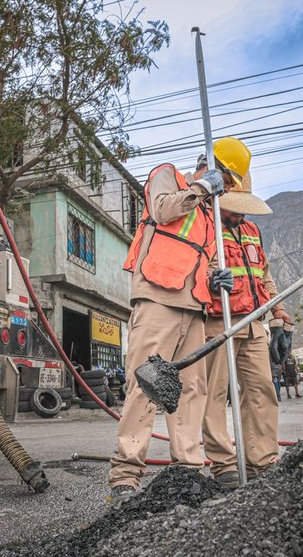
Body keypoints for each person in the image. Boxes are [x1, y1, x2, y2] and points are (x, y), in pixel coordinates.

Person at [108, 137, 247, 503]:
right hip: (158, 298)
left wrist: (219, 277)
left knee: (191, 390)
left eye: (231, 186)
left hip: (196, 308)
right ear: (211, 166)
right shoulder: (169, 176)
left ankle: (187, 470)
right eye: (228, 181)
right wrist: (201, 188)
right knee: (145, 383)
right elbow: (162, 210)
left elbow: (210, 259)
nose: (227, 191)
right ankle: (126, 474)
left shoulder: (210, 217)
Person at [201, 170, 290, 487]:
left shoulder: (252, 229)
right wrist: (210, 280)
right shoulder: (205, 227)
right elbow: (196, 270)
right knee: (213, 396)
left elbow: (264, 276)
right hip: (218, 322)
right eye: (234, 204)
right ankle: (223, 464)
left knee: (261, 391)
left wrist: (279, 316)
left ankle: (262, 461)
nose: (239, 212)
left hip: (254, 324)